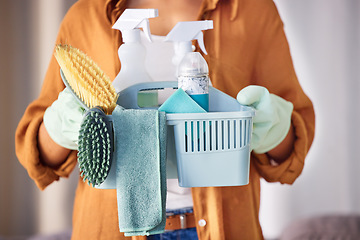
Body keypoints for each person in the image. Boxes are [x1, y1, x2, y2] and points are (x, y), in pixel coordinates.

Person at [15, 0, 315, 239]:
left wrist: (272, 126)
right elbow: (39, 158)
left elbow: (290, 153)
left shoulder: (251, 11)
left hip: (225, 229)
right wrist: (61, 125)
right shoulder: (85, 16)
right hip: (111, 229)